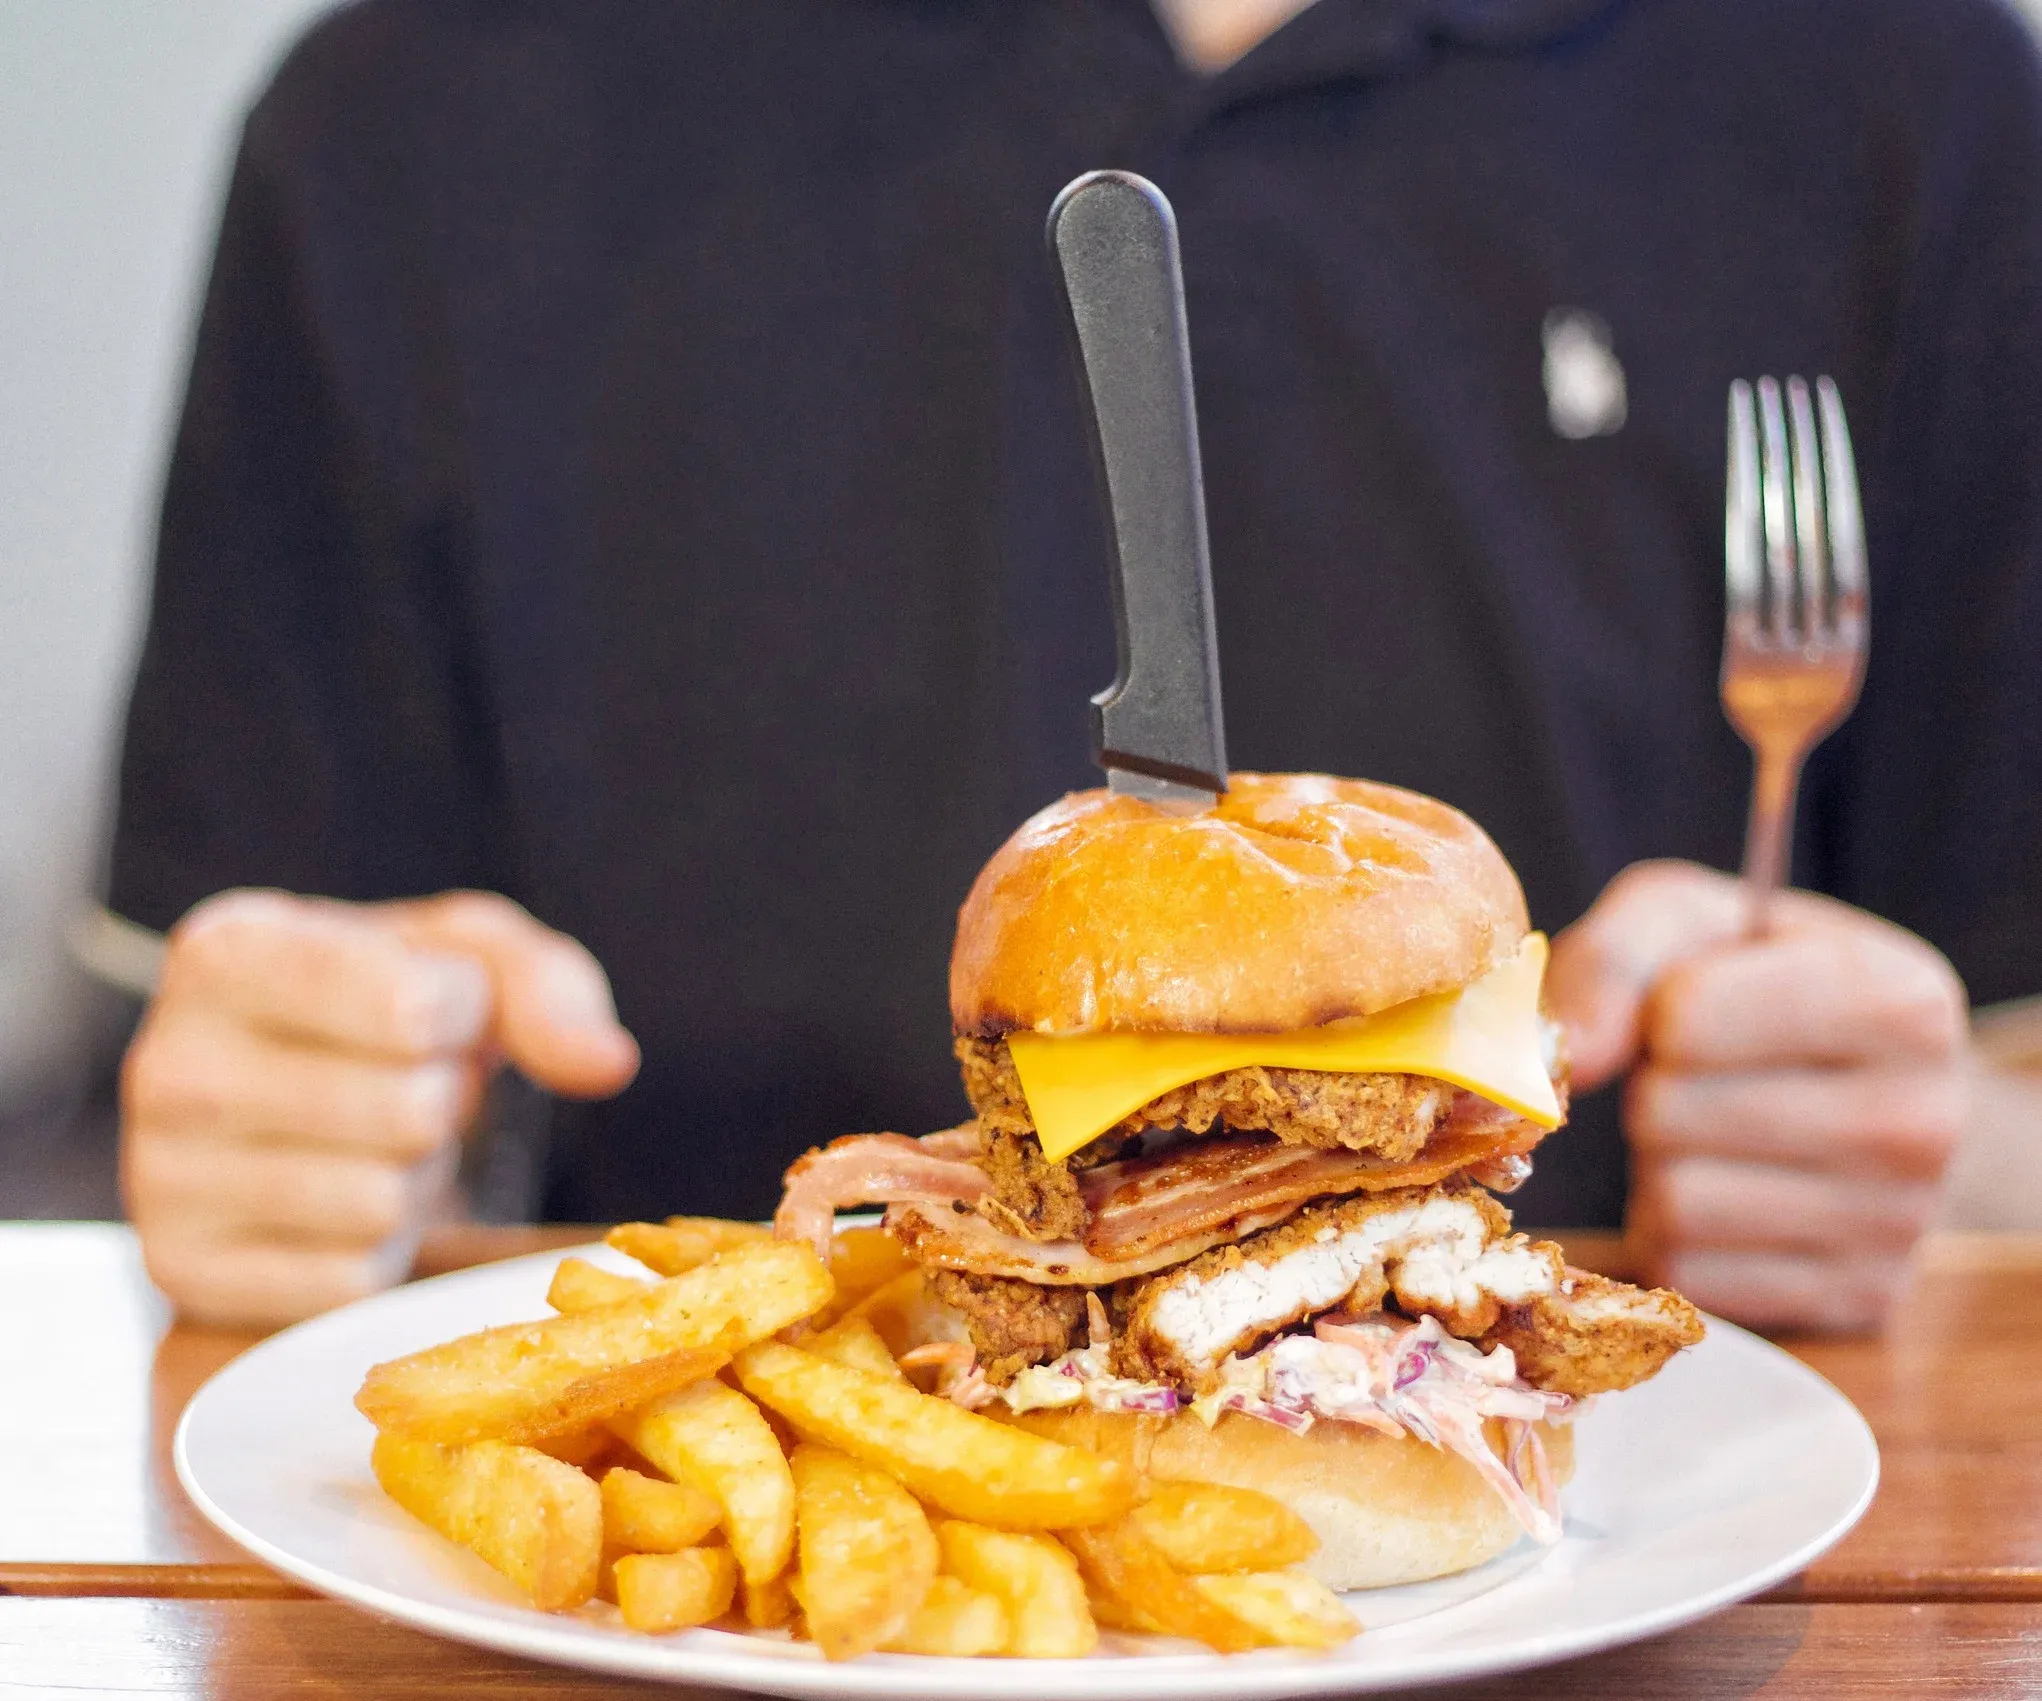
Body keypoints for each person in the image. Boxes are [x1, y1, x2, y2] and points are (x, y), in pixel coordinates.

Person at [107, 0, 2041, 1329]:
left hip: (1664, 1681)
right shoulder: (411, 115)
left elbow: (2013, 1091)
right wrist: (305, 1127)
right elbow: (203, 1058)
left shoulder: (1908, 93)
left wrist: (1937, 1162)